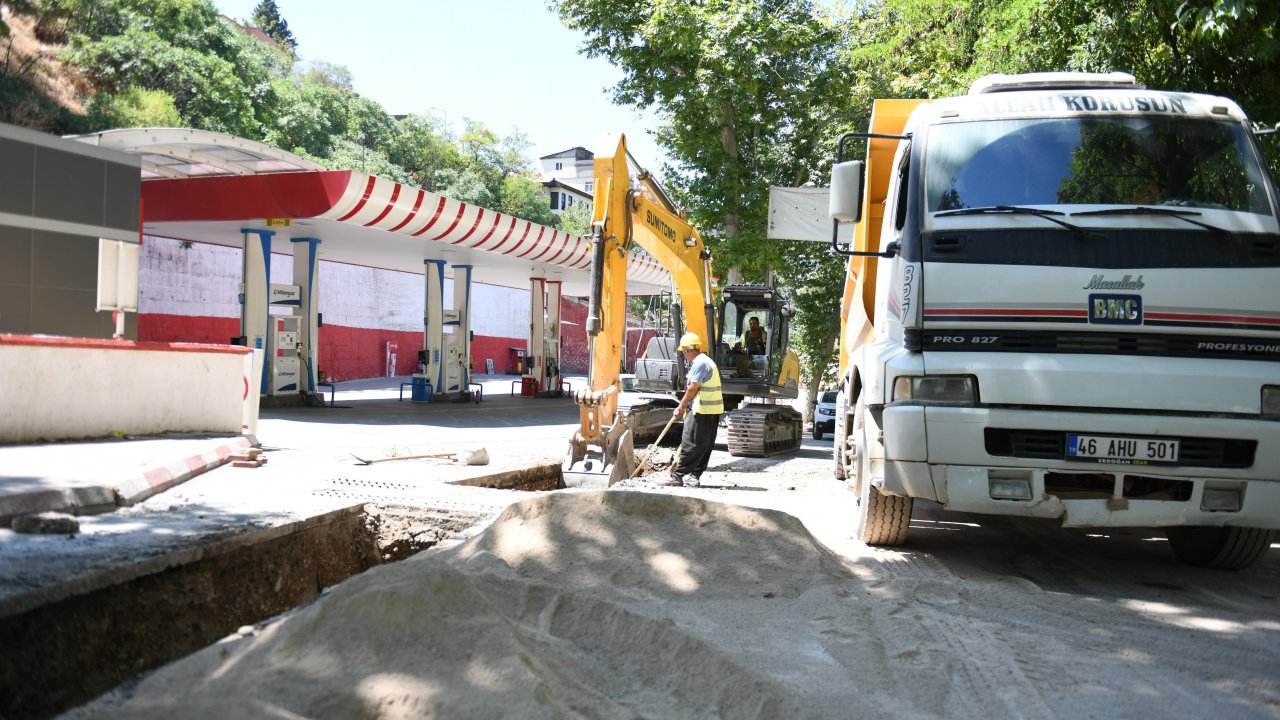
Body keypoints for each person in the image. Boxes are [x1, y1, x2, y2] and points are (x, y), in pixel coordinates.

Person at [667, 332, 723, 487]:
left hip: (701, 410)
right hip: (712, 410)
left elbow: (692, 389)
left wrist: (681, 406)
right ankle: (694, 475)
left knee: (690, 442)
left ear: (686, 351)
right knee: (705, 444)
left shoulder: (699, 363)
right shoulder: (708, 361)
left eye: (684, 353)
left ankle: (678, 475)